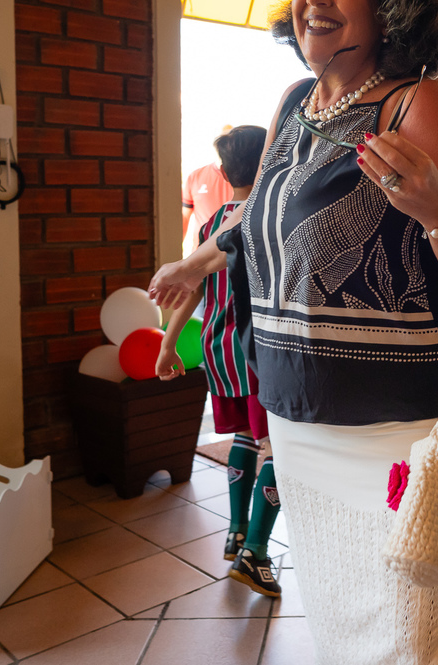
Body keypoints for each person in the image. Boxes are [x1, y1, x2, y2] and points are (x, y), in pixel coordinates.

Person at [149, 0, 438, 664]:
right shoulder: (295, 103)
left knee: (412, 639)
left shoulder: (420, 106)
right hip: (297, 416)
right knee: (343, 629)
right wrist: (197, 260)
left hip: (396, 426)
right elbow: (259, 220)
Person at [156, 125, 281, 597]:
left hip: (221, 351)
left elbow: (188, 288)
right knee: (277, 448)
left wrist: (168, 345)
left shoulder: (212, 226)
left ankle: (234, 531)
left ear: (224, 174)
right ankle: (256, 551)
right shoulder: (267, 216)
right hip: (260, 353)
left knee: (247, 439)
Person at [181, 134, 234, 255]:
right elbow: (185, 216)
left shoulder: (245, 178)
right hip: (201, 253)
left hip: (232, 253)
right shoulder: (196, 176)